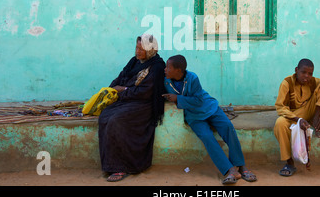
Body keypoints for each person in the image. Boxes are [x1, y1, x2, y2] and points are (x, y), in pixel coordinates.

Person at [162, 55, 257, 185]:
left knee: (228, 127)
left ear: (178, 70)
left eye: (168, 67)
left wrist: (178, 99)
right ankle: (229, 170)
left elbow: (198, 100)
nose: (165, 69)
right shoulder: (166, 82)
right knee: (207, 137)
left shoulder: (192, 78)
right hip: (194, 117)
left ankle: (241, 166)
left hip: (209, 108)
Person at [98, 34, 166, 182]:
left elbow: (146, 91)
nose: (138, 52)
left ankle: (121, 167)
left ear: (151, 50)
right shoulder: (134, 61)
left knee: (116, 120)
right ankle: (109, 165)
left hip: (143, 104)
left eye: (142, 49)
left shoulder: (157, 66)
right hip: (126, 100)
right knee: (104, 116)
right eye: (137, 47)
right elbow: (121, 77)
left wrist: (123, 90)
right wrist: (111, 89)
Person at [273, 58, 320, 176]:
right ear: (296, 70)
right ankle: (289, 162)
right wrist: (298, 119)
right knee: (280, 123)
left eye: (310, 73)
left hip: (313, 111)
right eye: (303, 72)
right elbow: (280, 107)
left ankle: (315, 119)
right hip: (295, 115)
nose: (306, 76)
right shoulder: (286, 83)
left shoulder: (314, 82)